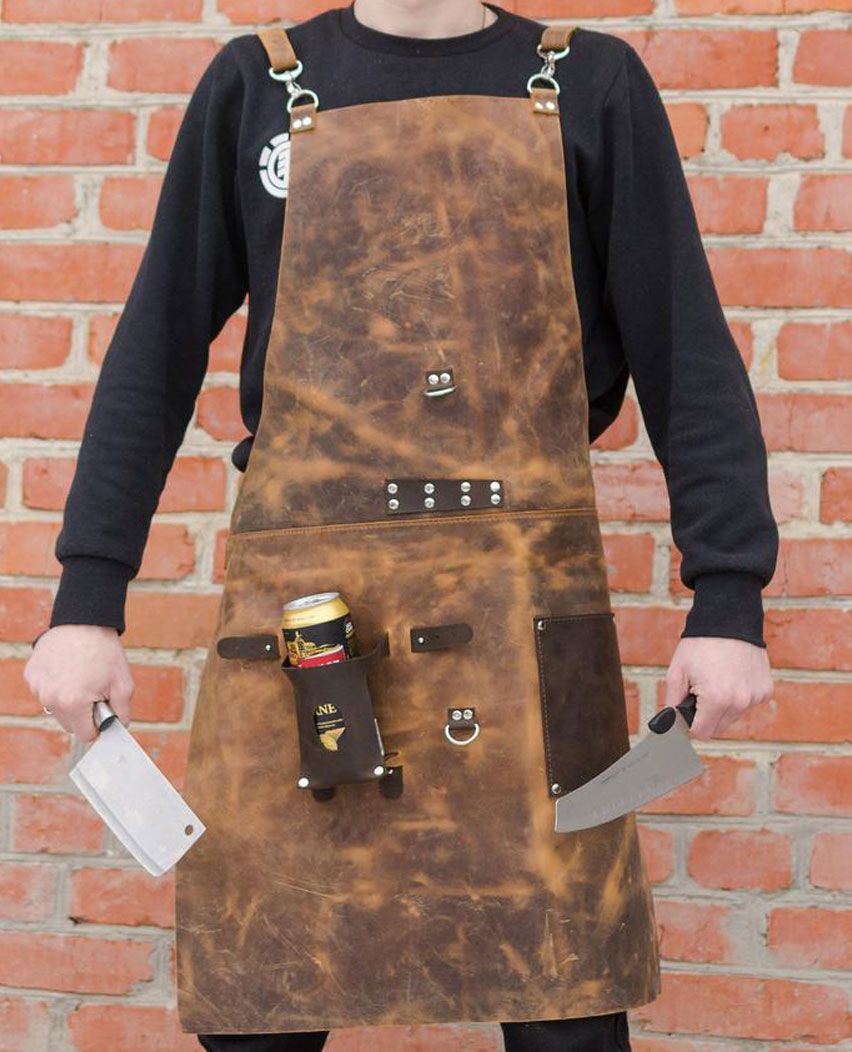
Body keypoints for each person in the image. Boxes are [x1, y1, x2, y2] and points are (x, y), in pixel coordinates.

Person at [24, 2, 777, 1050]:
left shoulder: (589, 85)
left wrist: (729, 596)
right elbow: (154, 353)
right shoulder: (256, 86)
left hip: (524, 623)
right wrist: (86, 600)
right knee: (264, 999)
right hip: (307, 624)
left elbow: (685, 351)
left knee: (563, 1003)